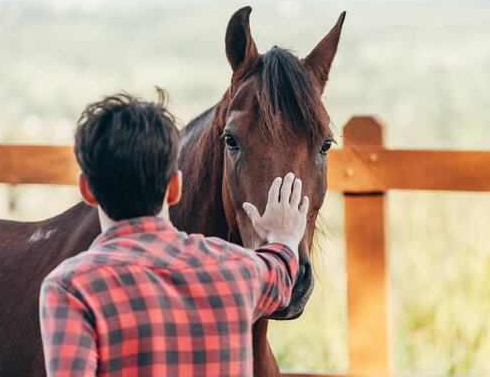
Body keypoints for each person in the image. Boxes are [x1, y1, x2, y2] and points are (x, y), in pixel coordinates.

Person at [39, 92, 308, 377]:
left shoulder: (70, 288)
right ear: (174, 187)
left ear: (87, 191)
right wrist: (284, 237)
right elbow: (280, 269)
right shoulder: (238, 271)